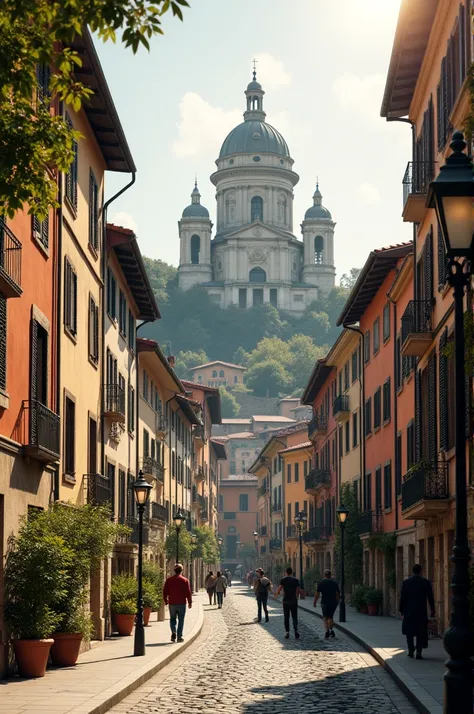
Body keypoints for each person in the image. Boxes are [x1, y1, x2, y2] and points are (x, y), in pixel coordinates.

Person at [399, 564, 435, 659]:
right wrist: (432, 611)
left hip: (409, 611)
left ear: (412, 571)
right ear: (421, 571)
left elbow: (402, 598)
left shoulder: (406, 583)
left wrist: (401, 610)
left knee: (409, 632)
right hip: (421, 611)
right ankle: (419, 652)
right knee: (421, 632)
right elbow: (430, 598)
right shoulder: (425, 582)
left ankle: (411, 651)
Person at [163, 563, 192, 643]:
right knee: (181, 620)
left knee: (172, 619)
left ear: (174, 571)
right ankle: (179, 636)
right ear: (181, 571)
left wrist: (166, 600)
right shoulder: (185, 580)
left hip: (172, 603)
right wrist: (190, 602)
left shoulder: (169, 580)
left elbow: (165, 591)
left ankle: (173, 632)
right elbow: (188, 592)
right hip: (182, 603)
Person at [275, 566, 301, 639]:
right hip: (293, 601)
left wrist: (277, 594)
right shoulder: (296, 580)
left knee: (286, 617)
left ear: (286, 572)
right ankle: (296, 630)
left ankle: (287, 632)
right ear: (291, 572)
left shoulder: (283, 580)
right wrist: (297, 597)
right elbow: (298, 590)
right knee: (294, 617)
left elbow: (279, 589)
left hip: (286, 601)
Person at [314, 569, 340, 639]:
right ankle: (331, 630)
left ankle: (326, 631)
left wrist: (314, 602)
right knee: (330, 617)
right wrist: (337, 601)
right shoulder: (334, 583)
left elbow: (317, 594)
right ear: (330, 575)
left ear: (324, 575)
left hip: (324, 602)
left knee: (325, 617)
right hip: (333, 602)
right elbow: (337, 593)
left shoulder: (321, 583)